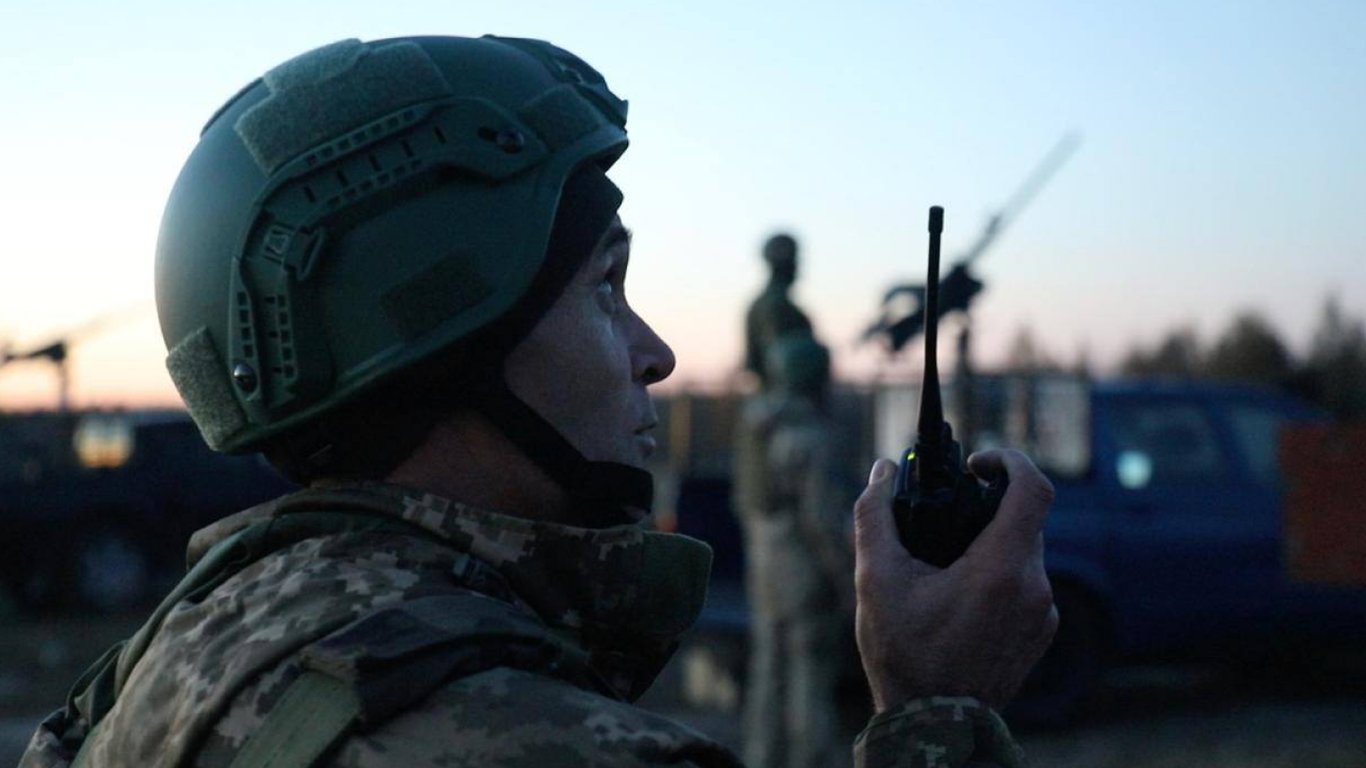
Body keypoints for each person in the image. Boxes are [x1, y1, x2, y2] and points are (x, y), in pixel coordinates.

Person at [20, 35, 1058, 768]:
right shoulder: (547, 746)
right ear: (452, 338)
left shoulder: (183, 648)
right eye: (604, 289)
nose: (654, 355)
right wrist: (939, 711)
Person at [732, 332, 853, 768]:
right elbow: (822, 521)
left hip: (765, 568)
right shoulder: (809, 436)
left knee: (769, 675)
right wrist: (849, 582)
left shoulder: (757, 426)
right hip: (805, 573)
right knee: (810, 680)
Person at [744, 234, 813, 388]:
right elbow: (782, 360)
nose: (797, 266)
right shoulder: (776, 306)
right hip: (786, 395)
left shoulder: (758, 305)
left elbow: (751, 364)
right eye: (794, 260)